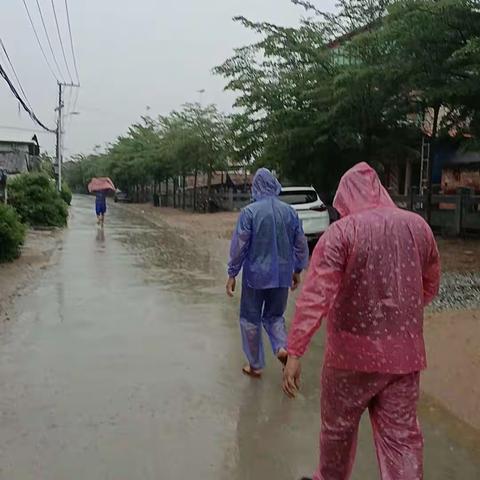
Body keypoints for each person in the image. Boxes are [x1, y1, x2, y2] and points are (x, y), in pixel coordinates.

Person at [282, 162, 440, 480]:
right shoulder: (418, 227)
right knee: (402, 441)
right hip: (403, 358)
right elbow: (430, 284)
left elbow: (316, 297)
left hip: (348, 361)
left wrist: (295, 351)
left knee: (337, 433)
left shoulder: (342, 233)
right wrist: (398, 317)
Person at [227, 168, 309, 378]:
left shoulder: (250, 212)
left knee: (250, 319)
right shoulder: (290, 212)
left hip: (255, 276)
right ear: (275, 185)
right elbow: (300, 244)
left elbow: (240, 246)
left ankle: (255, 365)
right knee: (275, 317)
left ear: (256, 187)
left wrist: (232, 273)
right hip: (282, 275)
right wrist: (297, 270)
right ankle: (281, 347)